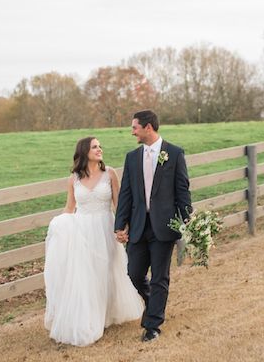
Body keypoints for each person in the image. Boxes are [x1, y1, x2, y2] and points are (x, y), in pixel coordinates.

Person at [44, 137, 144, 347]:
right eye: (94, 147)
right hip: (82, 231)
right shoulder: (73, 179)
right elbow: (70, 208)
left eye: (100, 146)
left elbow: (119, 205)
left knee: (106, 271)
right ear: (84, 152)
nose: (99, 149)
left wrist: (123, 227)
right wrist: (58, 227)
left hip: (105, 228)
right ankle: (91, 318)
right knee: (87, 274)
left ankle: (108, 314)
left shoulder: (110, 173)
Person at [114, 110, 192, 342]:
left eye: (135, 127)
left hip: (164, 226)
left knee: (160, 277)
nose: (132, 131)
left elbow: (182, 191)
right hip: (139, 226)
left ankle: (153, 325)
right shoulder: (132, 157)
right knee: (133, 274)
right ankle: (152, 302)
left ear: (148, 127)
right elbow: (126, 194)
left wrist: (188, 220)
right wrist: (120, 225)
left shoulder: (175, 153)